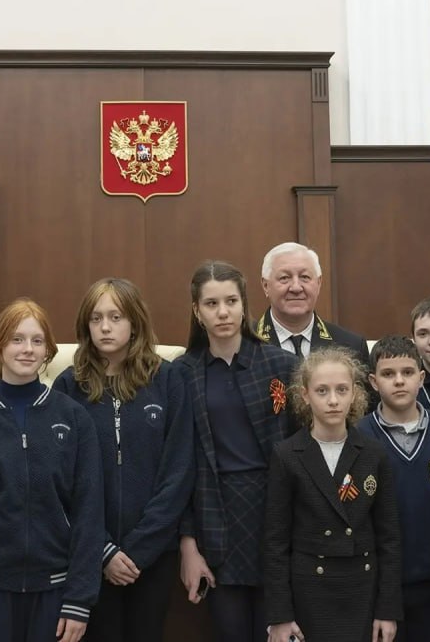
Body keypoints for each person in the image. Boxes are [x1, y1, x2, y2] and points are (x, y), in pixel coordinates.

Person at [0, 298, 103, 642]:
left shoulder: (73, 418)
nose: (27, 349)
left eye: (37, 341)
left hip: (56, 592)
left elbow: (89, 511)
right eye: (17, 339)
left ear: (48, 349)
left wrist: (79, 600)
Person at [51, 277, 196, 642]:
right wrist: (104, 551)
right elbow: (61, 479)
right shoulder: (68, 386)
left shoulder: (168, 379)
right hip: (89, 554)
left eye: (115, 317)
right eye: (96, 318)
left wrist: (137, 550)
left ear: (134, 322)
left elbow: (178, 471)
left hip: (153, 554)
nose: (105, 327)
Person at [175, 260, 299, 642]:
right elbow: (179, 467)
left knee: (278, 631)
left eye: (231, 301)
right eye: (211, 304)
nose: (223, 312)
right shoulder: (182, 373)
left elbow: (305, 452)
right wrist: (188, 546)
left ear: (245, 304)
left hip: (276, 513)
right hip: (215, 517)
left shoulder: (282, 364)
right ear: (197, 311)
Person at [264, 346, 401, 642]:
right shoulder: (287, 455)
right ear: (305, 395)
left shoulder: (374, 454)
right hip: (309, 589)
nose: (333, 400)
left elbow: (389, 539)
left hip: (362, 587)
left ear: (355, 393)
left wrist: (387, 609)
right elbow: (275, 543)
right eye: (322, 391)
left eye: (342, 389)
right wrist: (280, 615)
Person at [357, 335, 430, 642]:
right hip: (383, 585)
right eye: (388, 374)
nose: (399, 381)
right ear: (373, 382)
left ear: (421, 378)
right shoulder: (358, 437)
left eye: (407, 372)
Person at [254, 242, 369, 365]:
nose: (296, 288)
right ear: (266, 286)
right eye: (284, 278)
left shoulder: (351, 346)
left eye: (305, 277)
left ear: (319, 283)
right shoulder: (244, 343)